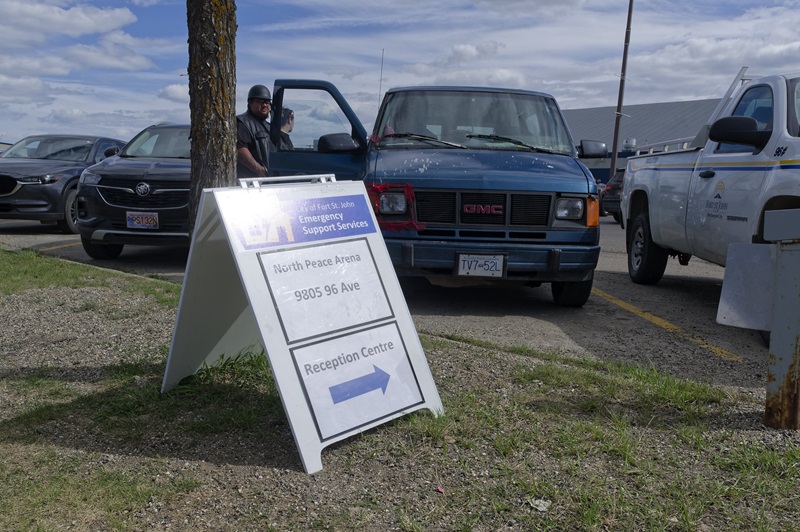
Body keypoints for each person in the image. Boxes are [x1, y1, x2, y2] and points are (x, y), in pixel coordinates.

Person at [236, 84, 275, 178]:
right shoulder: (242, 123)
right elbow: (240, 150)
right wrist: (259, 169)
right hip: (250, 182)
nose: (265, 105)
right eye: (260, 101)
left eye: (267, 102)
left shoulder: (269, 126)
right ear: (250, 102)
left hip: (267, 180)